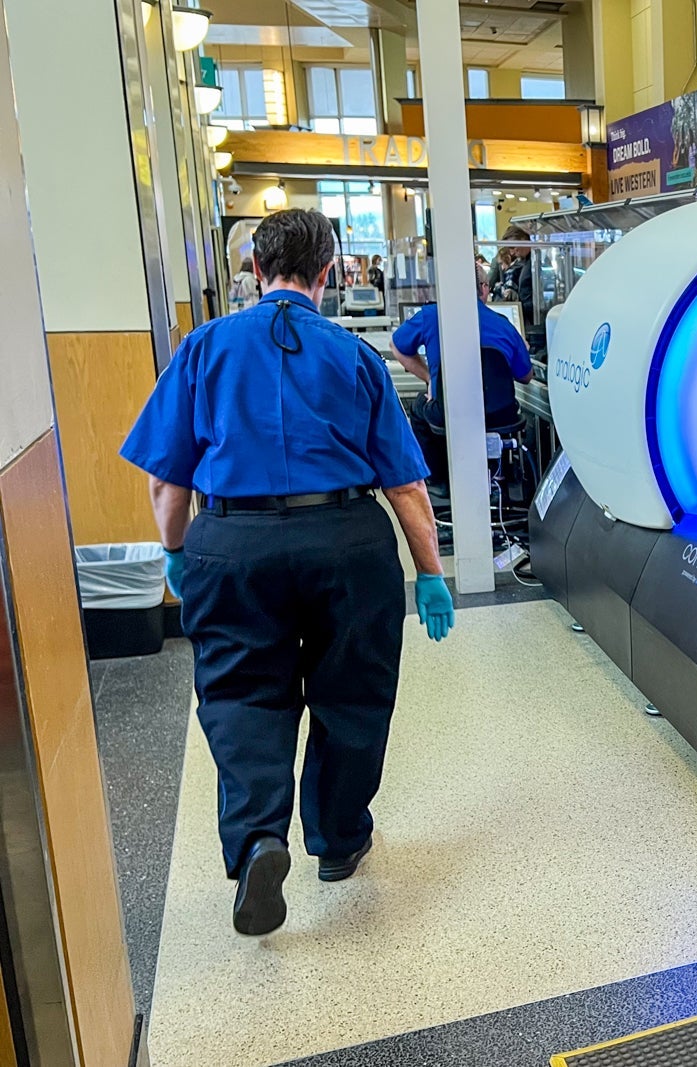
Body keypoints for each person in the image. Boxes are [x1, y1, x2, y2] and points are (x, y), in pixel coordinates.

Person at [119, 209, 458, 938]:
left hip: (232, 542)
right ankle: (338, 842)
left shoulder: (202, 348)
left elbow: (165, 482)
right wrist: (430, 572)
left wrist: (177, 551)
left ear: (254, 269)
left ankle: (256, 840)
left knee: (242, 693)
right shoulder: (355, 355)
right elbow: (406, 487)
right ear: (328, 273)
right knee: (353, 693)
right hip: (348, 542)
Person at [392, 260, 535, 486]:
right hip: (500, 414)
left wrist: (430, 379)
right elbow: (526, 376)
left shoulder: (431, 315)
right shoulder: (503, 324)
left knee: (419, 407)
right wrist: (520, 350)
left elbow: (397, 346)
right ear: (484, 289)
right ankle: (501, 479)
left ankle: (438, 483)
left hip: (449, 413)